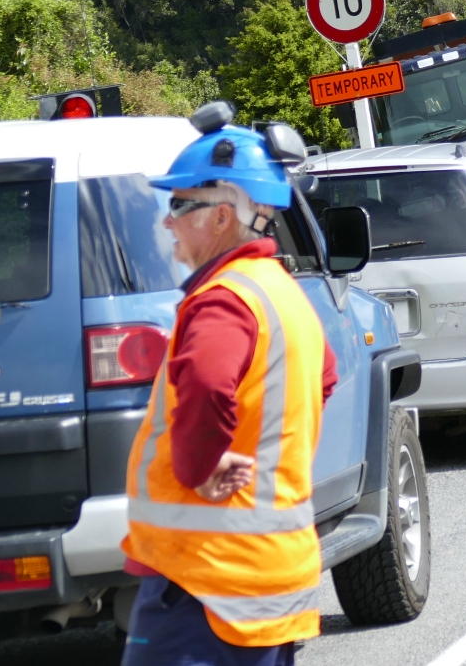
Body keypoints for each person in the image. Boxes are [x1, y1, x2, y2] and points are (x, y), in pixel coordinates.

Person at [122, 123, 338, 665]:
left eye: (180, 202)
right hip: (264, 574)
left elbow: (208, 385)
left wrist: (203, 467)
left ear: (223, 215)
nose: (167, 220)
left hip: (206, 579)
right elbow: (323, 380)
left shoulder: (223, 300)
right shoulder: (280, 293)